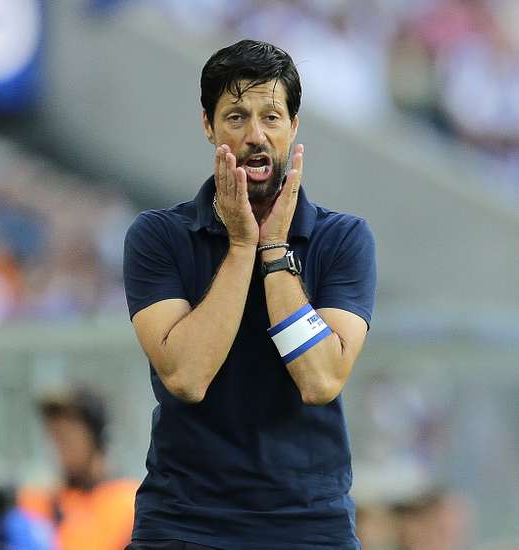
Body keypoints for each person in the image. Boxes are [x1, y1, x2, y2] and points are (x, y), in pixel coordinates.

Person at [123, 39, 377, 549]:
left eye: (272, 117)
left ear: (294, 126)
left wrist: (276, 248)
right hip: (183, 525)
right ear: (207, 126)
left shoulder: (343, 239)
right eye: (236, 117)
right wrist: (242, 245)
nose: (255, 136)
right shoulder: (158, 237)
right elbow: (188, 377)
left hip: (308, 525)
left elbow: (322, 379)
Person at [18, 388, 140, 550]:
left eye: (68, 437)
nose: (60, 448)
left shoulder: (130, 503)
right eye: (56, 437)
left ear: (97, 438)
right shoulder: (44, 500)